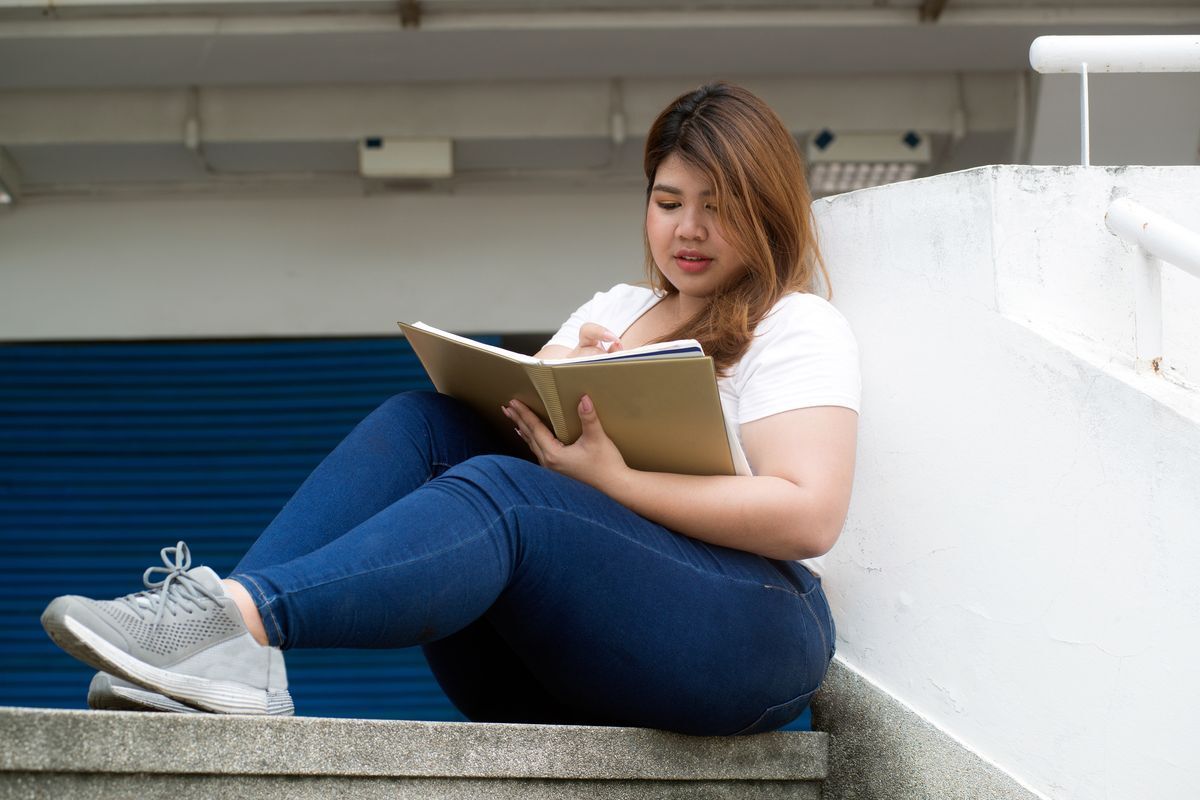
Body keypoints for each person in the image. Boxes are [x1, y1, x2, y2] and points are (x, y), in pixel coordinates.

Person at [41, 81, 859, 736]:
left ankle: (237, 622)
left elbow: (808, 515)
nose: (688, 228)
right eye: (669, 200)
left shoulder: (794, 322)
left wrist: (616, 481)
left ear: (766, 206)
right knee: (424, 422)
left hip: (753, 638)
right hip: (574, 660)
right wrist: (556, 372)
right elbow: (517, 426)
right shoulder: (617, 306)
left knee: (508, 495)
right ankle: (227, 641)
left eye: (717, 204)